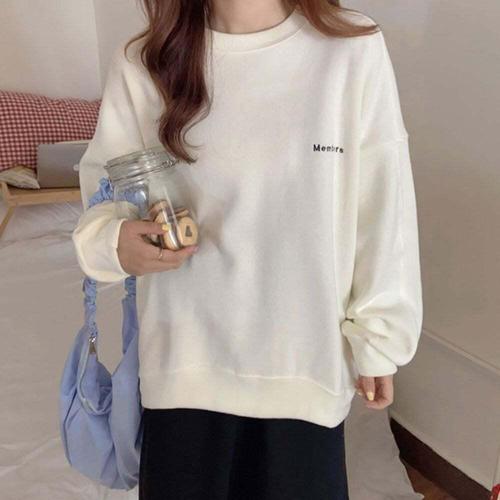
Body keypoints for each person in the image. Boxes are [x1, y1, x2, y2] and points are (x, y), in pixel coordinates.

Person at [72, 0, 423, 498]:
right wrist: (115, 243)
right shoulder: (146, 59)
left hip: (304, 365)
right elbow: (103, 196)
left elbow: (382, 206)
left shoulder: (351, 48)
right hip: (184, 365)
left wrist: (380, 337)